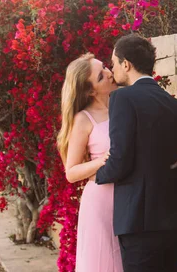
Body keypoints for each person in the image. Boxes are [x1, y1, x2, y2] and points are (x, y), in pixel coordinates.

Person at [96, 33, 177, 272]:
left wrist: (98, 176)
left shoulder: (122, 98)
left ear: (126, 64)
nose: (113, 69)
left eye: (113, 63)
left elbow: (120, 159)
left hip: (140, 222)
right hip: (176, 219)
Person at [57, 53, 123, 272]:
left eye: (105, 67)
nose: (109, 73)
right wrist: (102, 161)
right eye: (101, 76)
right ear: (90, 91)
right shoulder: (84, 119)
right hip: (101, 202)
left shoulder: (123, 104)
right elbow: (72, 172)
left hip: (129, 197)